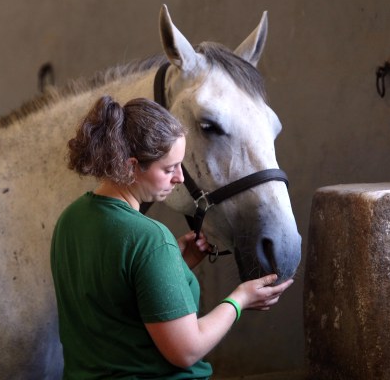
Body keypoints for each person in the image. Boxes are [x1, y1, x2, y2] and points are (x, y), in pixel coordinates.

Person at [50, 95, 294, 379]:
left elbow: (116, 300)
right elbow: (187, 350)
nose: (179, 178)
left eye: (180, 165)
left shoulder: (70, 219)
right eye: (168, 168)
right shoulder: (150, 238)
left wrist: (174, 264)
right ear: (130, 167)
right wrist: (240, 300)